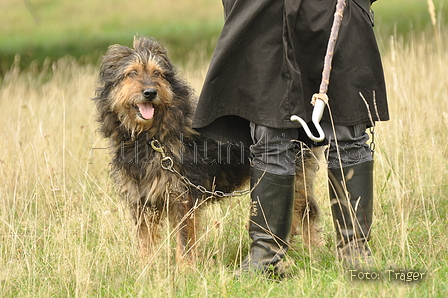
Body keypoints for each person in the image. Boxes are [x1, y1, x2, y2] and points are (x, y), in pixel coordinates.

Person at [193, 0, 388, 275]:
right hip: (263, 15)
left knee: (349, 132)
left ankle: (355, 252)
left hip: (335, 11)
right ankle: (265, 258)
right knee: (270, 133)